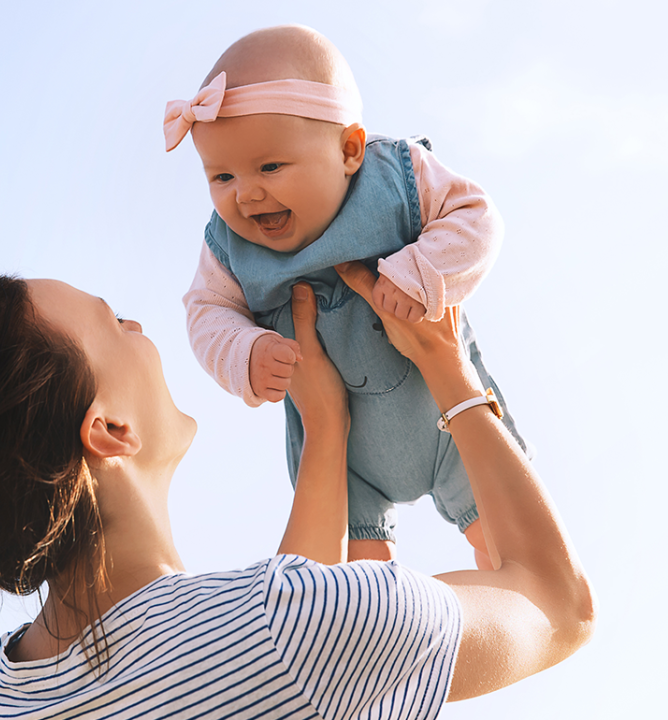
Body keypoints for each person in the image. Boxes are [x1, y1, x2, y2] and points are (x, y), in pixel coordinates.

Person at [0, 267, 594, 718]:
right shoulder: (294, 629)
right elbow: (558, 606)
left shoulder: (7, 692)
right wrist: (448, 369)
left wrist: (326, 428)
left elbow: (272, 660)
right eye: (113, 322)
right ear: (106, 428)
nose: (138, 325)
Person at [167, 25, 527, 566]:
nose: (246, 193)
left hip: (448, 414)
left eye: (269, 166)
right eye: (221, 176)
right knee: (356, 589)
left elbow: (476, 218)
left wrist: (422, 271)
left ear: (349, 150)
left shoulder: (396, 177)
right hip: (346, 457)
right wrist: (245, 353)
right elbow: (206, 312)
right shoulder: (227, 250)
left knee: (509, 548)